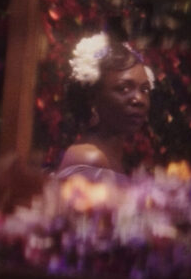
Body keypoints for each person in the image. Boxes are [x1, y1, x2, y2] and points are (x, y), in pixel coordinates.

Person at [55, 30, 156, 184]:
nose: (139, 99)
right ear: (92, 97)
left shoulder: (117, 156)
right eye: (124, 88)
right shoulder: (89, 158)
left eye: (145, 89)